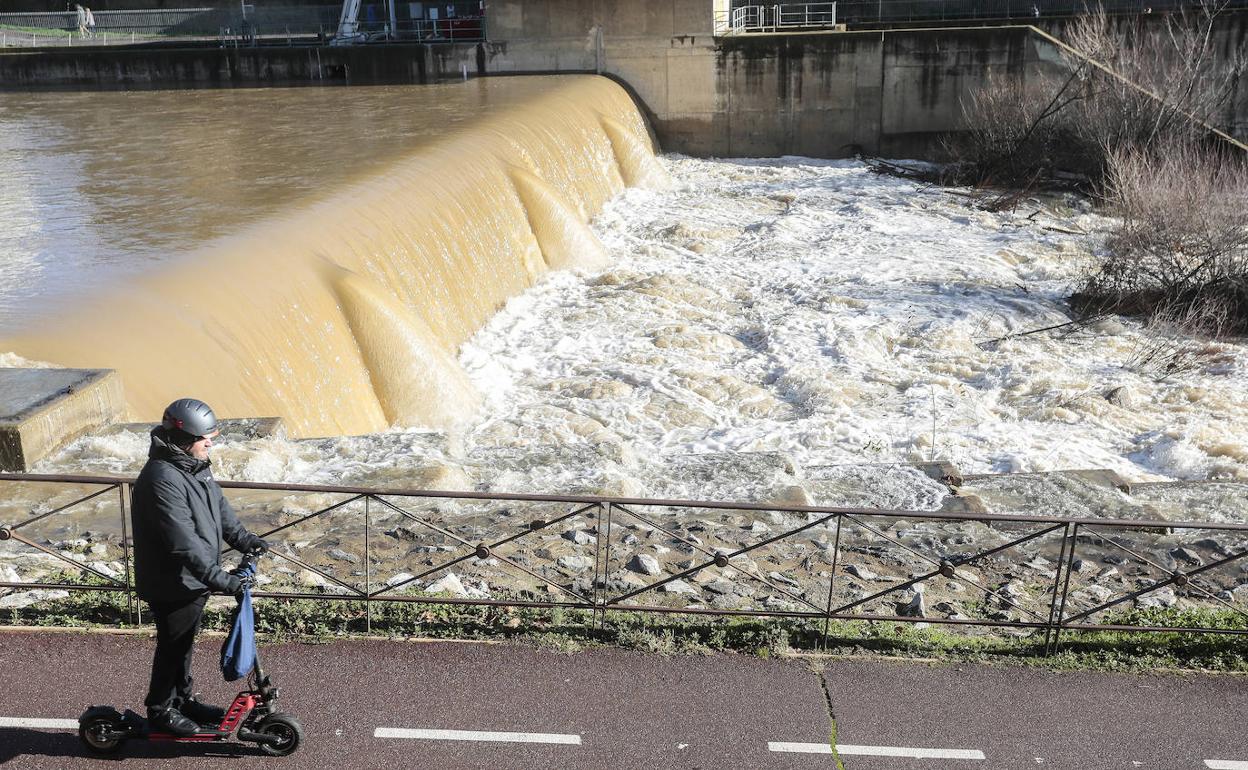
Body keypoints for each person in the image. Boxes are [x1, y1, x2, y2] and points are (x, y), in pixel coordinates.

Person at [131, 398, 268, 737]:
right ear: (182, 439)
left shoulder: (194, 465)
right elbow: (182, 541)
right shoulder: (161, 479)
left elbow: (218, 508)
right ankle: (161, 707)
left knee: (185, 641)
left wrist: (244, 539)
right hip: (172, 581)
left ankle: (183, 699)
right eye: (204, 437)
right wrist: (220, 579)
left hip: (195, 577)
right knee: (174, 644)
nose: (210, 442)